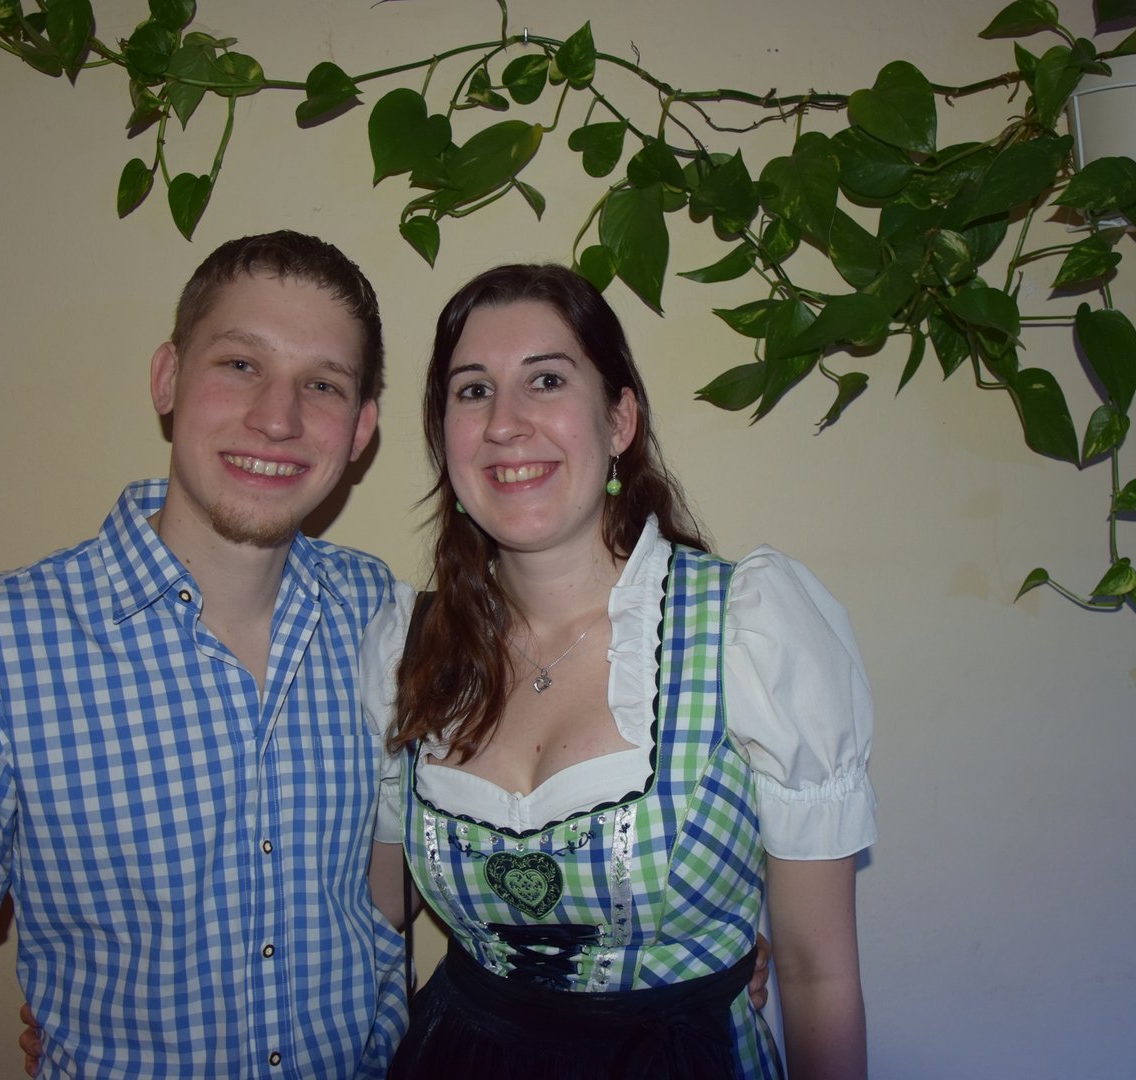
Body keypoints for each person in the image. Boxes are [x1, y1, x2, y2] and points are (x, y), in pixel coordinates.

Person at [0, 231, 408, 1078]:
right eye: (240, 364)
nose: (277, 418)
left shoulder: (378, 614)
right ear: (168, 378)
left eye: (322, 384)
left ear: (360, 430)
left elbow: (384, 892)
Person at [360, 264, 876, 1078]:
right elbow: (374, 911)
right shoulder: (407, 648)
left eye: (546, 380)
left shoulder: (747, 631)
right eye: (472, 391)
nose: (505, 423)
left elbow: (819, 973)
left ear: (619, 419)